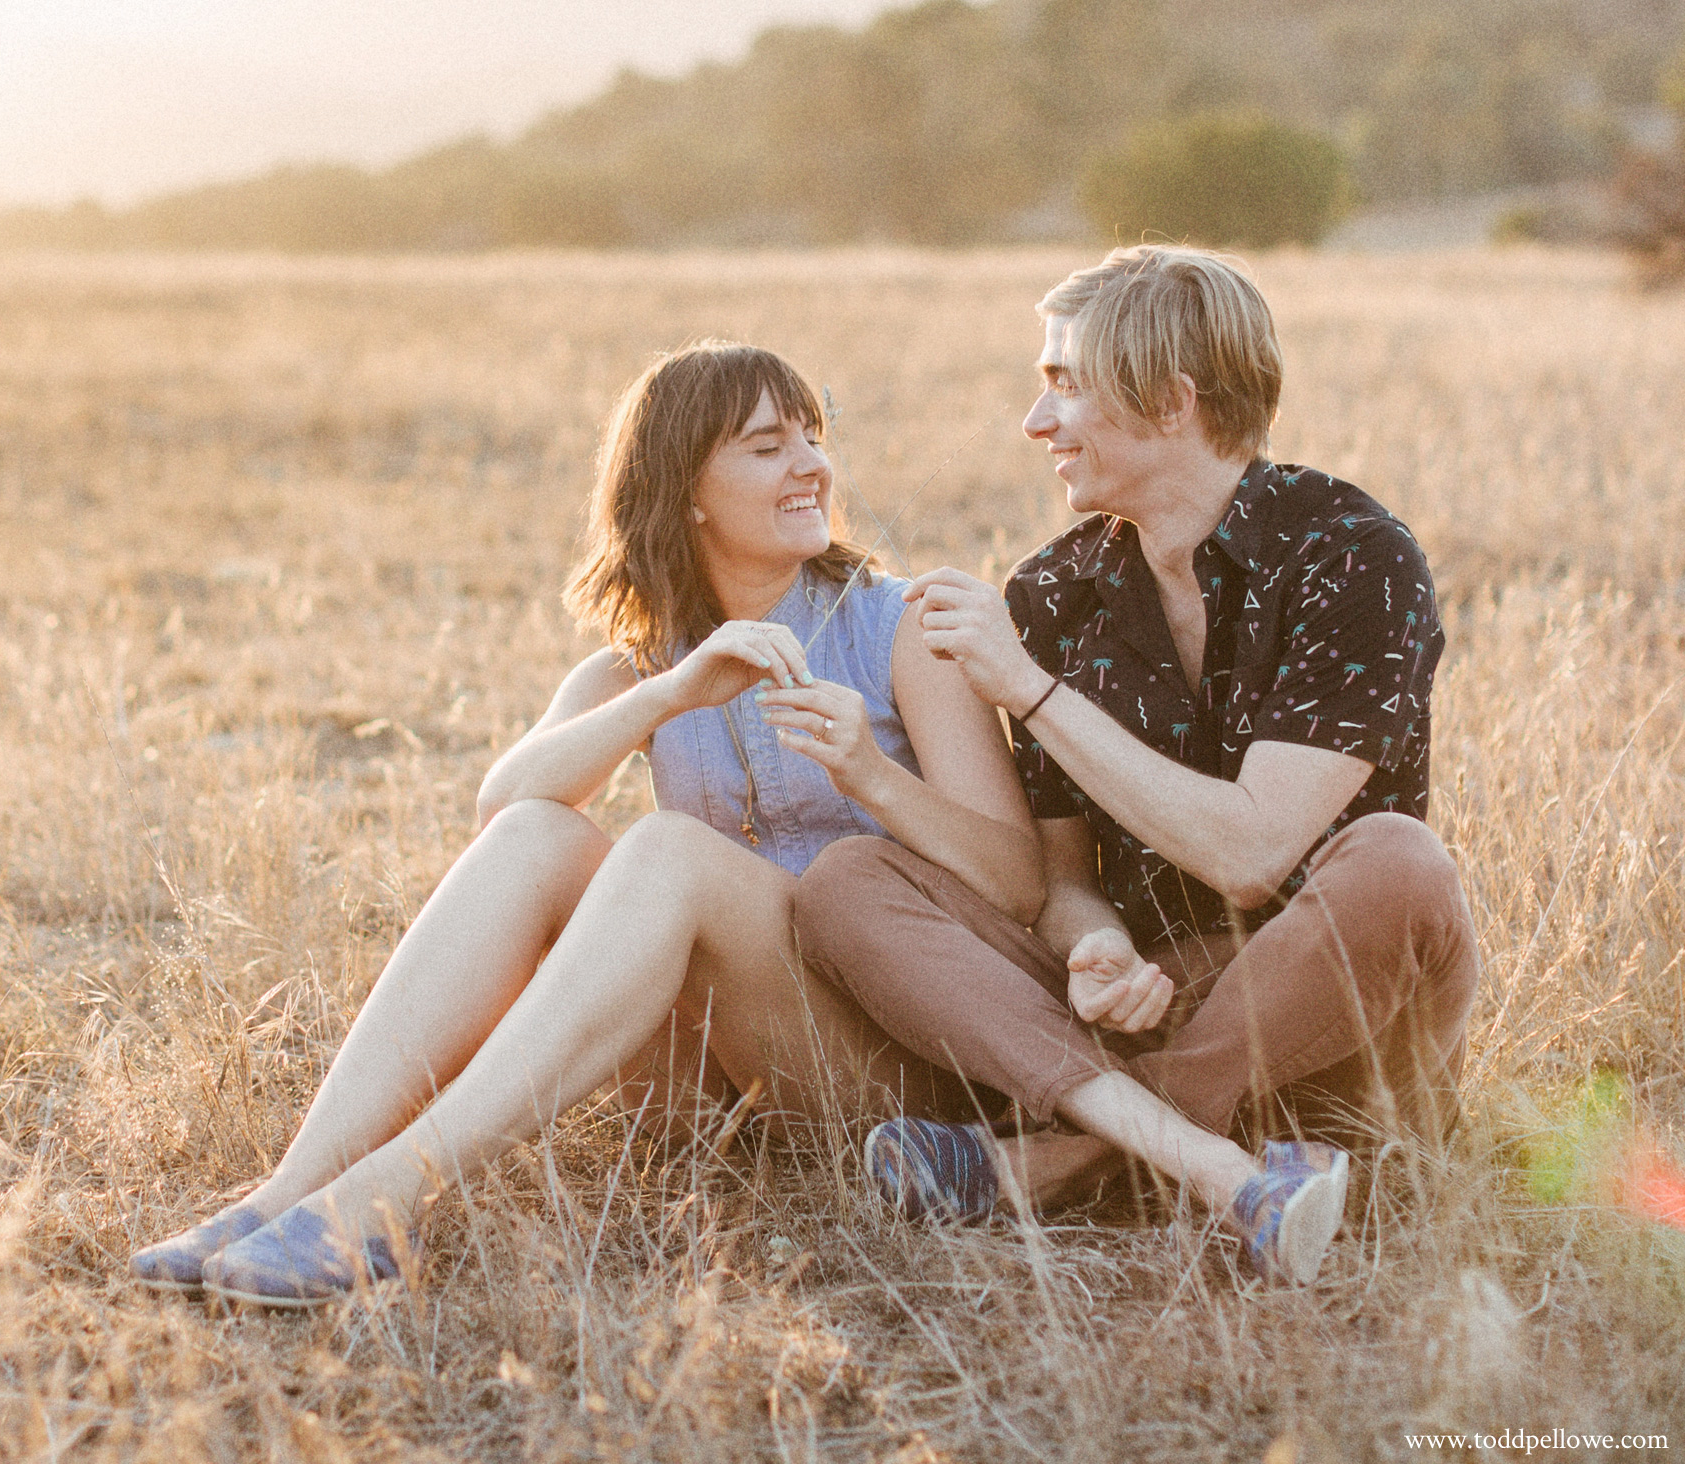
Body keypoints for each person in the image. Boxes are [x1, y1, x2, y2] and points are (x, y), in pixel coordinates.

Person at [127, 340, 1043, 1308]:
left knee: (669, 850)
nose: (812, 463)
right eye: (768, 446)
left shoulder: (904, 625)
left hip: (878, 1073)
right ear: (685, 490)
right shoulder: (641, 665)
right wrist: (669, 693)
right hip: (709, 1094)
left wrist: (871, 775)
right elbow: (503, 805)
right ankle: (287, 1188)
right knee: (540, 834)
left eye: (813, 435)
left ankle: (389, 1194)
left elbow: (1016, 885)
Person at [791, 244, 1480, 1287]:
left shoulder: (1351, 555)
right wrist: (1097, 944)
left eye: (1061, 385)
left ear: (1167, 400)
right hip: (1138, 1002)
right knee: (847, 880)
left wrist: (1027, 689)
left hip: (1325, 1012)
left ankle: (1061, 1161)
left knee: (1401, 861)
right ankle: (1209, 1161)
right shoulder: (1056, 593)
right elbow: (1062, 880)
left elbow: (1250, 855)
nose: (1034, 423)